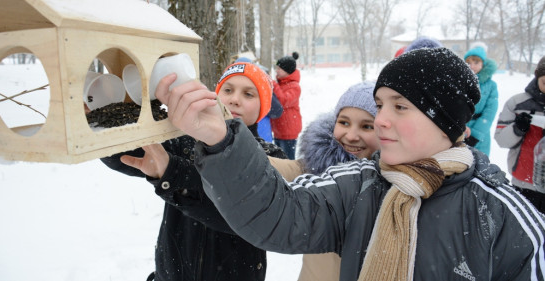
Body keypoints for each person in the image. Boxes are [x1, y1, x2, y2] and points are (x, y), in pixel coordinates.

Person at [155, 47, 545, 281]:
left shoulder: (501, 217)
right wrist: (219, 139)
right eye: (380, 105)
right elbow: (278, 215)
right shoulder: (360, 185)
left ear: (443, 120)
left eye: (400, 107)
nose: (382, 120)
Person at [101, 62, 287, 281]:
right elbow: (123, 156)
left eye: (248, 94)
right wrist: (102, 118)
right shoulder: (186, 141)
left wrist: (173, 174)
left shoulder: (271, 157)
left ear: (262, 108)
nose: (235, 99)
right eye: (228, 90)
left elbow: (239, 216)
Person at [273, 82, 378, 281]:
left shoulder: (396, 181)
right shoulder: (318, 167)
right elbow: (271, 168)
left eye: (367, 126)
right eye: (344, 122)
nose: (351, 136)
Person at [495, 56, 545, 213]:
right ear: (537, 75)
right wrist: (518, 128)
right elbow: (501, 139)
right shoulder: (517, 103)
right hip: (524, 183)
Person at [463, 43, 499, 155]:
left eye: (476, 62)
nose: (472, 66)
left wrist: (476, 135)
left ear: (483, 64)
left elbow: (489, 113)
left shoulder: (491, 85)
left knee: (479, 164)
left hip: (480, 132)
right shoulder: (461, 82)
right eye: (468, 62)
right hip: (461, 129)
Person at [271, 51, 302, 159]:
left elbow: (284, 101)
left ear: (287, 71)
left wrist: (274, 85)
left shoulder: (294, 87)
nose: (276, 71)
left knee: (288, 160)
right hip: (278, 130)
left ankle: (290, 177)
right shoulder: (280, 84)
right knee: (279, 159)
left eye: (279, 68)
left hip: (289, 132)